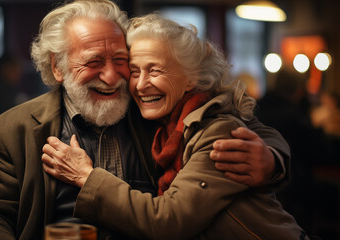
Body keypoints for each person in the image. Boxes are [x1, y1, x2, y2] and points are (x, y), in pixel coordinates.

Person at [0, 1, 290, 239]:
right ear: (57, 67)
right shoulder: (12, 128)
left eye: (121, 60)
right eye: (93, 62)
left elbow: (238, 124)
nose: (113, 78)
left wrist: (271, 159)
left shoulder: (150, 104)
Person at [42, 13, 307, 240]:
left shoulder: (216, 131)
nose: (141, 84)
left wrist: (86, 177)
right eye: (134, 71)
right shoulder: (155, 113)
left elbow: (167, 222)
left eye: (155, 70)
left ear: (191, 78)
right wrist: (275, 157)